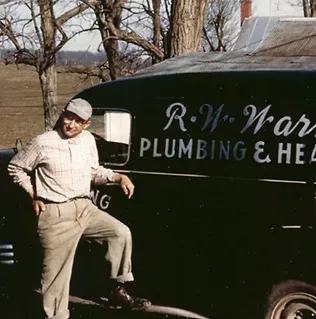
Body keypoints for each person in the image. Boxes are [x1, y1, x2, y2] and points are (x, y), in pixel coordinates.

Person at [7, 98, 150, 319]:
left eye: (78, 121)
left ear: (87, 124)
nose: (71, 124)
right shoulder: (44, 142)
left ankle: (116, 291)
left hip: (85, 207)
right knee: (56, 278)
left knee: (120, 233)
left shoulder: (88, 141)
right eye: (68, 117)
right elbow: (16, 167)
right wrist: (33, 194)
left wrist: (118, 176)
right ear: (63, 114)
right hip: (56, 213)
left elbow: (94, 172)